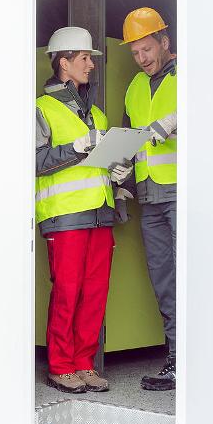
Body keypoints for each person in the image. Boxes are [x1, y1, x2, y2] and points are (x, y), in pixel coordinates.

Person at [36, 27, 132, 394]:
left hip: (100, 214)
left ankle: (83, 364)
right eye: (85, 58)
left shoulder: (97, 115)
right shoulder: (42, 109)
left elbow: (99, 164)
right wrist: (77, 147)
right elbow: (34, 161)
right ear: (64, 63)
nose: (91, 65)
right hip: (64, 216)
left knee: (94, 294)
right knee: (67, 292)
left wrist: (118, 172)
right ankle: (61, 366)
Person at [121, 8, 179, 391]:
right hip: (150, 196)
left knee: (193, 275)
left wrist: (179, 120)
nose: (142, 58)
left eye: (147, 49)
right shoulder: (134, 87)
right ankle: (176, 358)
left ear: (164, 42)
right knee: (164, 280)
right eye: (135, 53)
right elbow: (130, 139)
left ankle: (205, 358)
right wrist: (121, 172)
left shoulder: (191, 76)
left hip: (183, 192)